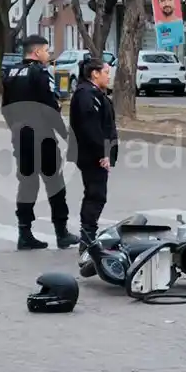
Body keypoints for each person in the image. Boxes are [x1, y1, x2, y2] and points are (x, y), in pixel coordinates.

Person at [1, 35, 79, 251]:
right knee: (55, 183)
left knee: (27, 184)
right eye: (46, 50)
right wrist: (65, 134)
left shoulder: (11, 72)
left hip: (21, 136)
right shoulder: (40, 73)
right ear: (36, 53)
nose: (48, 54)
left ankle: (24, 232)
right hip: (42, 136)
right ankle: (61, 233)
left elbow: (5, 107)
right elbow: (49, 108)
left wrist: (15, 129)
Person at [69, 56, 118, 264]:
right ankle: (87, 238)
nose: (109, 76)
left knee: (96, 194)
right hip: (92, 155)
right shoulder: (86, 95)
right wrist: (102, 154)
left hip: (95, 153)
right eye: (106, 72)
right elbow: (91, 129)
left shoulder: (94, 93)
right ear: (95, 74)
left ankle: (88, 236)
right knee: (95, 195)